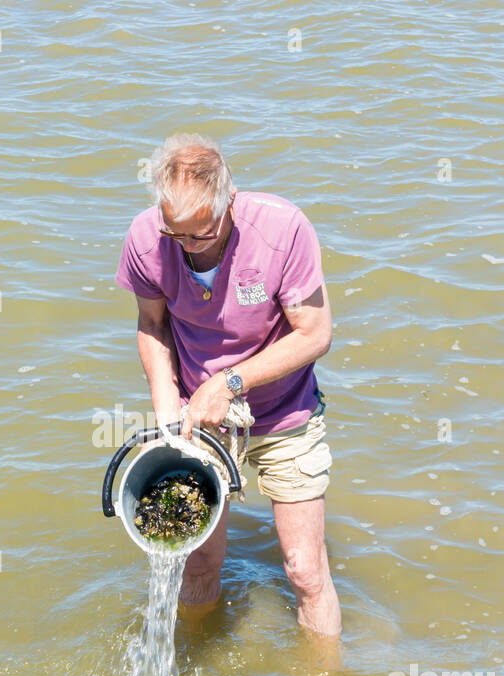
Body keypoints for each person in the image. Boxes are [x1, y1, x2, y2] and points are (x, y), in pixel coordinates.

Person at [115, 132, 342, 642]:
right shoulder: (148, 238)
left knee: (305, 570)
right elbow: (152, 327)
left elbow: (316, 333)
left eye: (201, 234)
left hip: (286, 413)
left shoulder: (284, 230)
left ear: (229, 203)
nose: (188, 247)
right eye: (177, 235)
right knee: (196, 567)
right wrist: (168, 413)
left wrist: (230, 381)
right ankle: (197, 675)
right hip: (200, 418)